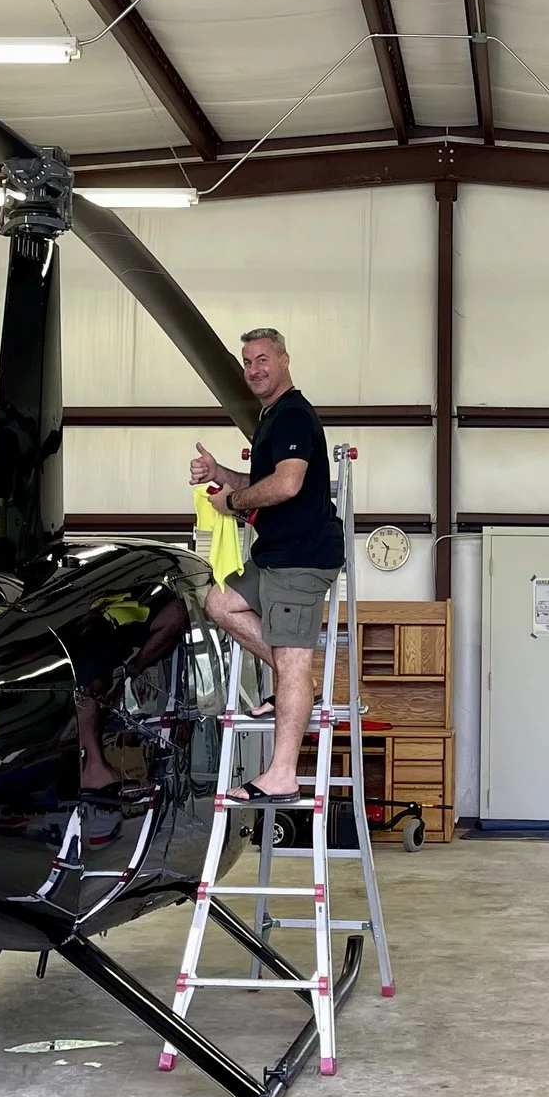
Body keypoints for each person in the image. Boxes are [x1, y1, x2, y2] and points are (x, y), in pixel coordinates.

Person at [189, 327, 344, 802]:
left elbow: (288, 485)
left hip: (300, 559)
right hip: (272, 555)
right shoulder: (271, 418)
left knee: (292, 659)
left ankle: (281, 774)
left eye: (262, 360)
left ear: (284, 360)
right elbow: (265, 482)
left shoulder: (294, 414)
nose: (254, 370)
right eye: (248, 362)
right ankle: (298, 684)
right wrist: (221, 476)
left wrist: (232, 501)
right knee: (220, 603)